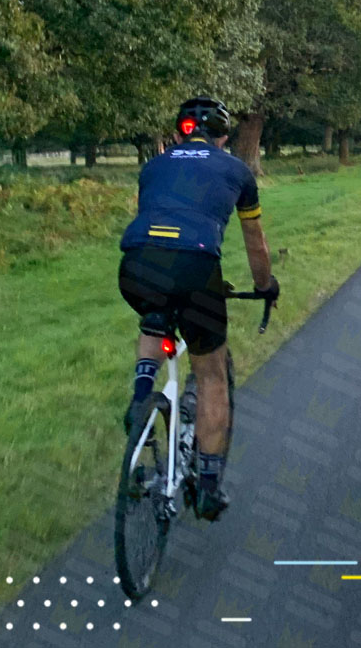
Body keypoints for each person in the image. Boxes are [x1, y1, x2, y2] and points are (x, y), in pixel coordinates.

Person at [118, 97, 278, 521]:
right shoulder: (236, 170)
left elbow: (155, 224)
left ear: (177, 134)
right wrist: (265, 286)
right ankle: (208, 486)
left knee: (155, 318)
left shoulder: (153, 166)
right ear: (224, 137)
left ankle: (140, 399)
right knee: (210, 374)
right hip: (195, 264)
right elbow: (255, 242)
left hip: (136, 263)